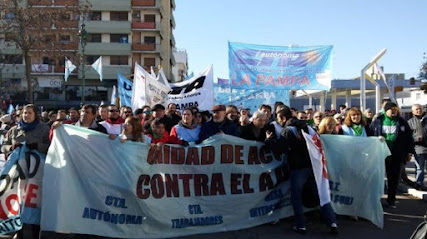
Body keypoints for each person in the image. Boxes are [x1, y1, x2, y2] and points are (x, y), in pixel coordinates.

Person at [266, 106, 338, 234]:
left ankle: (301, 225)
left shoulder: (288, 130)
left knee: (296, 197)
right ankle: (332, 222)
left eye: (279, 119)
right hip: (314, 166)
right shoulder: (307, 127)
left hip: (298, 168)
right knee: (321, 195)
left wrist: (270, 139)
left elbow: (280, 149)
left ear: (283, 118)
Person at [1, 104, 50, 239]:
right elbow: (4, 147)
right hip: (17, 175)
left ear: (35, 115)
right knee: (18, 200)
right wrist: (12, 147)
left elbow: (51, 147)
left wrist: (37, 146)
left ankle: (35, 230)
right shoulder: (14, 130)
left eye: (29, 113)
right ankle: (18, 230)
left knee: (33, 202)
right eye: (24, 113)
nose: (26, 115)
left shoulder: (44, 130)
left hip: (37, 175)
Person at [371, 102, 415, 208]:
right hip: (380, 154)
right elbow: (371, 134)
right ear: (386, 110)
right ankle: (375, 200)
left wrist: (409, 152)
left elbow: (409, 138)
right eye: (391, 109)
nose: (394, 111)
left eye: (395, 109)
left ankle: (391, 200)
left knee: (394, 179)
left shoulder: (402, 122)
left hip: (396, 155)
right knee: (377, 178)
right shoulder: (378, 121)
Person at [407, 104, 427, 190]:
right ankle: (419, 185)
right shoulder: (410, 122)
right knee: (420, 168)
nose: (419, 110)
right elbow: (408, 137)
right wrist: (416, 138)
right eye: (417, 109)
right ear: (413, 111)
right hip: (418, 149)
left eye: (420, 109)